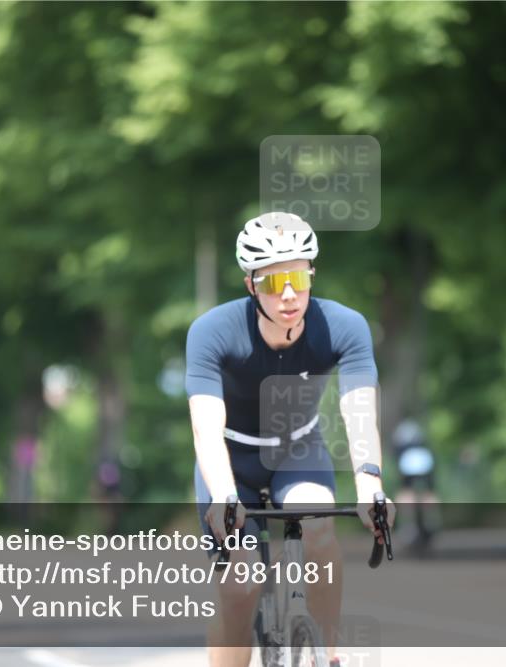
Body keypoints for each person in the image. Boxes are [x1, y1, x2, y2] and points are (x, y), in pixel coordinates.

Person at [186, 212, 395, 667]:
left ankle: (328, 653)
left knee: (318, 528)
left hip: (297, 450)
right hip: (232, 457)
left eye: (298, 277)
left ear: (311, 275)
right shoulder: (211, 331)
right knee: (240, 588)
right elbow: (205, 426)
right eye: (272, 281)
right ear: (250, 286)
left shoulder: (345, 326)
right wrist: (223, 495)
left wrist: (370, 486)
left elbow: (359, 412)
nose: (287, 293)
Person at [392, 419, 439, 553]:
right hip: (425, 464)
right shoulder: (424, 448)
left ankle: (407, 526)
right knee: (429, 493)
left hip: (409, 465)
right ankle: (431, 521)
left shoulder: (402, 449)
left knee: (405, 493)